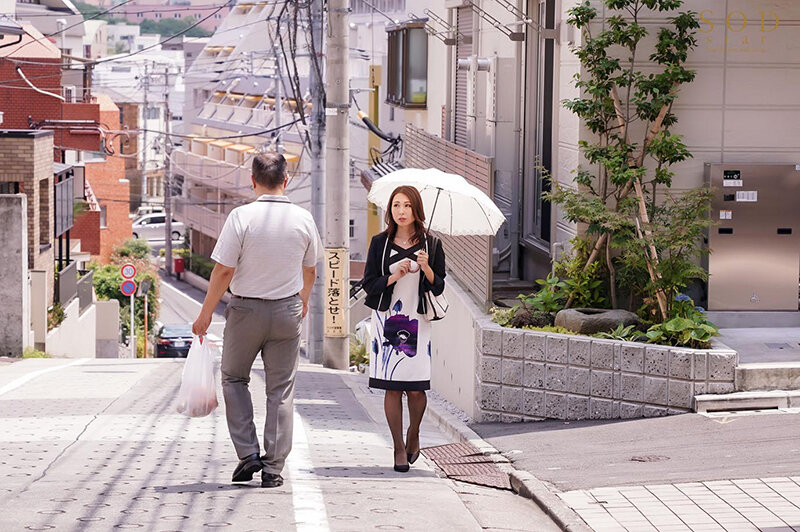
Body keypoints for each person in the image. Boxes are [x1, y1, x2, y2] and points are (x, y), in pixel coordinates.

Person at [192, 152, 322, 488]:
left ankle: (248, 453)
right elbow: (310, 269)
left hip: (246, 310)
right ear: (286, 180)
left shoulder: (241, 217)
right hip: (287, 310)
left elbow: (223, 270)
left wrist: (205, 313)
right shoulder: (303, 219)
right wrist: (302, 301)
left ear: (252, 181)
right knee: (280, 390)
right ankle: (274, 468)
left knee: (234, 378)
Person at [361, 185, 446, 472]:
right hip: (389, 320)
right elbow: (368, 284)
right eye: (396, 205)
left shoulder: (431, 245)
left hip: (418, 321)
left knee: (417, 388)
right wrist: (393, 276)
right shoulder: (379, 243)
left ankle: (414, 433)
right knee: (393, 387)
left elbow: (440, 285)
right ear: (390, 209)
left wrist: (427, 268)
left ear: (416, 210)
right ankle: (398, 446)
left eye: (407, 205)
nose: (401, 211)